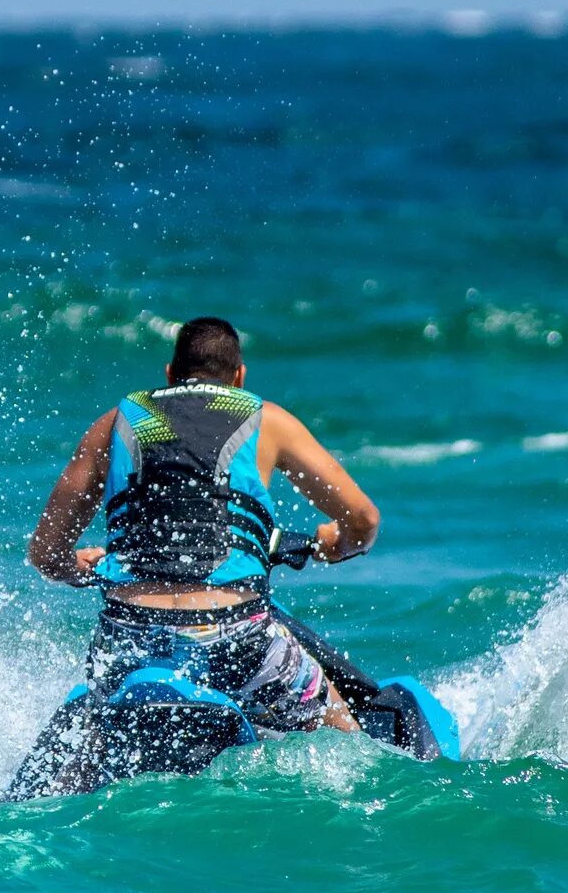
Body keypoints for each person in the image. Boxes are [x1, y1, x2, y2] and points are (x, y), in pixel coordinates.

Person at [26, 314, 380, 738]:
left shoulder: (113, 424)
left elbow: (46, 554)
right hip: (235, 633)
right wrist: (334, 545)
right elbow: (363, 519)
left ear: (171, 374)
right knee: (340, 725)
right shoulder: (267, 420)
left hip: (130, 633)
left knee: (93, 740)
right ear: (239, 378)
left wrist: (78, 566)